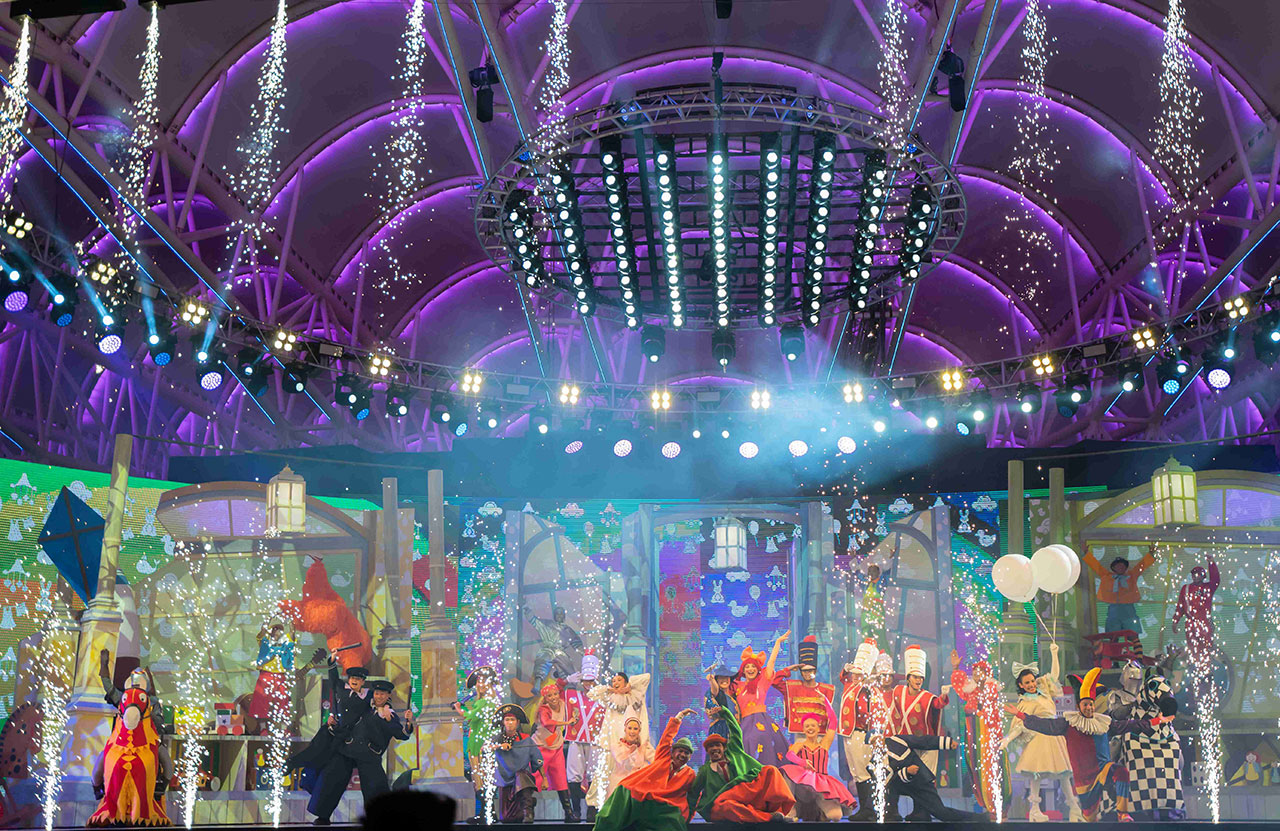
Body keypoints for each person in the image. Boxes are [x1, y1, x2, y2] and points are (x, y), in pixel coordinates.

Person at [1004, 667, 1160, 822]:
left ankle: (1123, 813)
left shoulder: (1102, 723)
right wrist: (1021, 715)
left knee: (1121, 773)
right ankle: (1075, 811)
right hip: (1084, 783)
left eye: (1091, 704)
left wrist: (1155, 721)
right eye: (1085, 704)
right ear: (1078, 707)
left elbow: (1127, 725)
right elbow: (1045, 725)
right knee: (1089, 818)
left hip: (1102, 771)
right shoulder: (1069, 724)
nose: (1089, 707)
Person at [310, 679, 415, 825]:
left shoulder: (389, 715)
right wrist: (333, 718)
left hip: (369, 755)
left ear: (388, 696)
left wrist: (408, 722)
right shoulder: (364, 706)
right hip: (348, 749)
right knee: (331, 778)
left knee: (376, 787)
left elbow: (402, 734)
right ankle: (322, 816)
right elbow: (345, 707)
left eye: (382, 694)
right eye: (377, 693)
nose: (379, 696)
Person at [1001, 643, 1080, 822]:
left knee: (1064, 774)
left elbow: (1054, 675)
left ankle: (1074, 808)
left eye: (1032, 681)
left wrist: (1054, 654)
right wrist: (1007, 739)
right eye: (1027, 683)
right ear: (1021, 685)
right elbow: (1020, 725)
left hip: (1054, 734)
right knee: (1036, 774)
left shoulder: (1044, 691)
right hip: (1038, 738)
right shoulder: (1025, 703)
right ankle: (1035, 810)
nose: (1031, 684)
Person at [593, 708, 698, 831]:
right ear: (673, 752)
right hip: (644, 792)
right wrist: (679, 717)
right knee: (624, 791)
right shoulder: (663, 758)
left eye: (686, 753)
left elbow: (693, 796)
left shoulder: (689, 774)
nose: (682, 755)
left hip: (669, 805)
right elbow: (666, 738)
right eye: (680, 751)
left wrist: (688, 815)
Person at [689, 707, 796, 822]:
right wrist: (687, 818)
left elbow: (735, 730)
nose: (714, 748)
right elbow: (693, 793)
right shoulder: (705, 770)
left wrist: (725, 713)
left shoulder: (734, 752)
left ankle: (779, 812)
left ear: (724, 748)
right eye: (711, 746)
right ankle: (770, 818)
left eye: (717, 745)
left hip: (742, 795)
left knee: (771, 770)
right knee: (727, 806)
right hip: (721, 803)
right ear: (707, 751)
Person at [93, 650, 172, 803]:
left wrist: (149, 716)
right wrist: (104, 666)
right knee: (101, 760)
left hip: (147, 740)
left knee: (166, 761)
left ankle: (160, 785)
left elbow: (158, 722)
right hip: (122, 741)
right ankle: (97, 786)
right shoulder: (124, 697)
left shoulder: (153, 701)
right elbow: (109, 688)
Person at [1113, 674, 1184, 820]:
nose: (1133, 682)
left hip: (1159, 730)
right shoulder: (1119, 697)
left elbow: (1180, 765)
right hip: (1134, 729)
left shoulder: (1168, 728)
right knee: (1115, 745)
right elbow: (1115, 714)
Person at [948, 651, 1009, 816]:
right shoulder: (971, 691)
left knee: (991, 767)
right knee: (975, 765)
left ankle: (995, 804)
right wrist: (955, 668)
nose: (976, 674)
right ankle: (985, 804)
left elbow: (989, 710)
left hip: (988, 735)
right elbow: (959, 686)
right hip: (973, 734)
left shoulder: (990, 689)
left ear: (987, 674)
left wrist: (979, 713)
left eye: (980, 671)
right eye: (974, 672)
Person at [884, 734, 990, 823]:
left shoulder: (896, 741)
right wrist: (906, 772)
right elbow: (888, 779)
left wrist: (946, 743)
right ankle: (890, 816)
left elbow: (923, 741)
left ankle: (979, 818)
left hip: (920, 782)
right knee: (886, 790)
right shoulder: (877, 760)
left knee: (941, 813)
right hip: (899, 783)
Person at [587, 669, 652, 806]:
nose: (615, 683)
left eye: (619, 680)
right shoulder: (610, 698)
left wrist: (630, 686)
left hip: (633, 744)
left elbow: (646, 677)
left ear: (625, 682)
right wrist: (609, 689)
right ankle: (596, 805)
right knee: (604, 775)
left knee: (631, 775)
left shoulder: (635, 696)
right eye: (613, 681)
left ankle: (631, 805)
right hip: (611, 743)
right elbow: (591, 694)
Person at [781, 714, 855, 821]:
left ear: (818, 728)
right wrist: (803, 762)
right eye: (807, 726)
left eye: (813, 725)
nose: (810, 728)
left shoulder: (824, 744)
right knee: (787, 770)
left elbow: (833, 721)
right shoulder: (799, 745)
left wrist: (825, 703)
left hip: (822, 784)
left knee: (835, 816)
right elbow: (790, 755)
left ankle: (821, 812)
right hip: (804, 786)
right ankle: (790, 808)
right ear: (803, 730)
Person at [734, 630, 791, 766]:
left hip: (761, 721)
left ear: (758, 669)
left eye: (753, 666)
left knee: (764, 744)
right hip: (744, 724)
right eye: (747, 667)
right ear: (743, 670)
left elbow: (771, 662)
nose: (750, 669)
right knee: (745, 745)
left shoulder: (762, 682)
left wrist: (777, 643)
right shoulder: (736, 685)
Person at [452, 666, 501, 823]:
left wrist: (459, 709)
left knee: (481, 780)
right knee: (483, 780)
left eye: (484, 681)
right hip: (481, 744)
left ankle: (486, 814)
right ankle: (488, 814)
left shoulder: (485, 702)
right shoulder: (488, 701)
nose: (480, 684)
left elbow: (470, 716)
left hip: (480, 746)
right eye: (479, 681)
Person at [837, 637, 878, 820]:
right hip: (847, 734)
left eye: (858, 673)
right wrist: (846, 670)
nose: (854, 676)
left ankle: (869, 809)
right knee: (855, 772)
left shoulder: (865, 689)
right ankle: (865, 809)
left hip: (859, 734)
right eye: (853, 673)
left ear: (864, 675)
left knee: (862, 771)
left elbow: (868, 712)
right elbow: (842, 678)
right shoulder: (850, 685)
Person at [565, 651, 607, 821]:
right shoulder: (572, 696)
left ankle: (592, 809)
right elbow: (552, 693)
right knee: (573, 775)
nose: (588, 684)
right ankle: (576, 811)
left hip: (596, 741)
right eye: (585, 681)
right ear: (581, 681)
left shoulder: (604, 698)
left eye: (591, 681)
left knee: (594, 775)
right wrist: (566, 681)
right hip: (576, 740)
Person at [533, 678, 580, 821]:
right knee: (536, 778)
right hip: (541, 747)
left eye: (555, 694)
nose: (553, 697)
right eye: (549, 696)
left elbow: (561, 685)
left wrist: (568, 679)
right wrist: (566, 722)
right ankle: (526, 811)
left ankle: (568, 813)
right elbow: (547, 723)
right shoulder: (544, 709)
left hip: (557, 747)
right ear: (545, 698)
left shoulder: (563, 704)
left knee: (561, 779)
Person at [1082, 544, 1156, 635]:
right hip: (1114, 609)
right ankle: (1114, 643)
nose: (1120, 567)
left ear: (1126, 567)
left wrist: (1151, 553)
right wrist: (1086, 552)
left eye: (1123, 566)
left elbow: (1141, 566)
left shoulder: (1131, 575)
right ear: (1113, 568)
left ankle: (1135, 644)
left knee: (1132, 634)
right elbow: (1096, 566)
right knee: (1113, 634)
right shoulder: (1107, 576)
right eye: (1118, 566)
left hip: (1128, 608)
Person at [491, 704, 544, 823]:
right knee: (506, 818)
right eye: (507, 720)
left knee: (521, 775)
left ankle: (528, 811)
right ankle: (530, 803)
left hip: (522, 779)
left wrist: (544, 778)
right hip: (505, 780)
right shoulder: (497, 739)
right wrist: (499, 746)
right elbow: (484, 748)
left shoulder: (526, 739)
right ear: (503, 722)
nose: (510, 723)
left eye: (512, 720)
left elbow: (538, 759)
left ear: (518, 722)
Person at [773, 634, 836, 735]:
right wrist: (788, 669)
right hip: (800, 733)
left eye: (810, 670)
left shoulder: (826, 690)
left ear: (815, 671)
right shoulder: (792, 687)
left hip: (819, 734)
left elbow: (831, 716)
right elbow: (774, 681)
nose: (807, 673)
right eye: (804, 671)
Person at [1171, 555, 1220, 667]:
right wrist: (1175, 621)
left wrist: (1211, 563)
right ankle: (1197, 668)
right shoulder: (1186, 588)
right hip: (1190, 623)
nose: (1195, 577)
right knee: (1193, 648)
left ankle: (1206, 669)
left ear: (1203, 576)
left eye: (1198, 574)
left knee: (1206, 647)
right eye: (1194, 574)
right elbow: (1180, 607)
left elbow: (1216, 580)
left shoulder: (1208, 587)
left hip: (1204, 622)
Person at [249, 618, 296, 732]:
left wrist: (289, 618)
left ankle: (284, 729)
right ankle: (263, 728)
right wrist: (269, 618)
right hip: (266, 674)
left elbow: (292, 632)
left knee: (283, 700)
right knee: (261, 700)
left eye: (279, 629)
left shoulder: (285, 643)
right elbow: (262, 631)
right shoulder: (265, 642)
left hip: (280, 676)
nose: (277, 631)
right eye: (274, 629)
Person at [523, 601, 584, 680]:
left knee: (568, 671)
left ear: (564, 616)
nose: (559, 615)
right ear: (554, 615)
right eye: (557, 614)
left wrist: (585, 654)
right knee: (541, 663)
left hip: (560, 652)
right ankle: (538, 683)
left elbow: (577, 644)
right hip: (547, 649)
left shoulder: (568, 631)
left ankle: (568, 683)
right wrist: (527, 609)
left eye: (561, 614)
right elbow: (534, 621)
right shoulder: (547, 624)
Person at [703, 660, 739, 743]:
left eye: (726, 677)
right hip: (719, 730)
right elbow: (715, 690)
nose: (724, 680)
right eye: (721, 678)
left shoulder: (733, 698)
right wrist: (712, 679)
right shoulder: (718, 694)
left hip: (733, 731)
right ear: (717, 680)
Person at [860, 564, 888, 647]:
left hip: (876, 614)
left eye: (874, 571)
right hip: (865, 615)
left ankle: (883, 653)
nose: (871, 573)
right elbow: (858, 575)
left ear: (878, 573)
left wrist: (890, 560)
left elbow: (886, 574)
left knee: (879, 637)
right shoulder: (866, 585)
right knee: (865, 637)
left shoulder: (880, 584)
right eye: (869, 572)